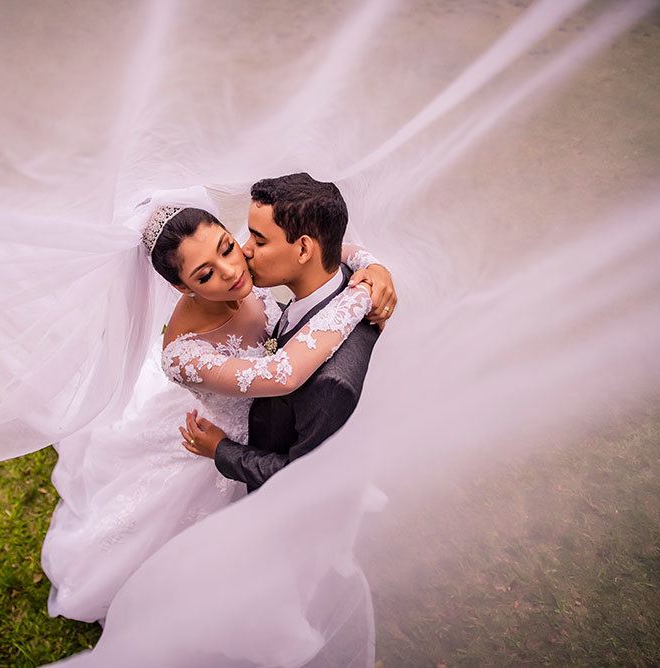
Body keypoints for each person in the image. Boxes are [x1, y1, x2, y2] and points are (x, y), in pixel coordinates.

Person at [41, 183, 397, 622]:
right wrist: (362, 298)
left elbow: (336, 249)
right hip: (219, 443)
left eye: (228, 247)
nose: (231, 271)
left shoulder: (249, 262)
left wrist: (374, 267)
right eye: (204, 275)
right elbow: (281, 373)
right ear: (180, 286)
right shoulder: (183, 354)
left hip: (274, 422)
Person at [180, 173, 386, 492]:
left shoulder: (331, 382)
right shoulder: (341, 275)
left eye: (259, 240)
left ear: (304, 249)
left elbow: (302, 478)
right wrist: (375, 266)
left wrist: (222, 451)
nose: (244, 251)